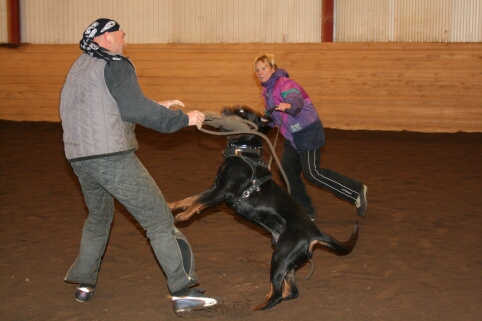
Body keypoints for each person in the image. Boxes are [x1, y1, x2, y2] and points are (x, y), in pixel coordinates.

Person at [60, 18, 220, 314]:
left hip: (79, 157)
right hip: (111, 157)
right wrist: (183, 119)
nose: (124, 36)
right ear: (106, 38)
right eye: (120, 32)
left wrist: (156, 105)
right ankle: (183, 290)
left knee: (98, 219)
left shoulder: (81, 65)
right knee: (159, 221)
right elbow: (133, 108)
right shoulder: (116, 63)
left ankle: (84, 283)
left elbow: (104, 107)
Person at [253, 53, 367, 220]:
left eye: (264, 68)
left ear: (273, 68)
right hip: (293, 136)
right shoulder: (267, 92)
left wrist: (290, 104)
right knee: (286, 170)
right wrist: (256, 129)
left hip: (307, 131)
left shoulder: (283, 83)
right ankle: (304, 209)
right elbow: (272, 118)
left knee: (312, 173)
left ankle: (356, 191)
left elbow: (295, 98)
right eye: (257, 70)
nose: (260, 72)